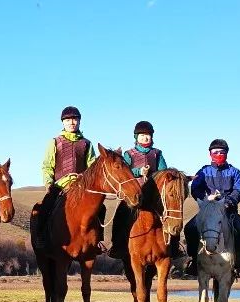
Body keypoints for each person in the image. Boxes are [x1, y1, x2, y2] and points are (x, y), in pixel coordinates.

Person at [34, 106, 101, 253]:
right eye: (68, 120)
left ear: (79, 122)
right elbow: (47, 165)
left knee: (100, 207)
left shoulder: (86, 143)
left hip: (82, 187)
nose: (72, 122)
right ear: (63, 122)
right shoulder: (54, 142)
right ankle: (41, 236)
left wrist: (86, 179)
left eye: (75, 119)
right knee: (45, 206)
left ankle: (97, 242)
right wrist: (49, 183)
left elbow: (92, 166)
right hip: (60, 186)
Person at [111, 120, 177, 261]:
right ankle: (117, 246)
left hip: (154, 196)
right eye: (141, 135)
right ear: (136, 137)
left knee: (172, 215)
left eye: (148, 135)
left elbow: (164, 172)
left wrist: (154, 173)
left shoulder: (157, 153)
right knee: (120, 215)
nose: (145, 138)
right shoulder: (129, 154)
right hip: (134, 195)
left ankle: (174, 248)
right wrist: (139, 171)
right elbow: (125, 171)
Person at [185, 139, 240, 277]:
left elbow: (238, 190)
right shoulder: (203, 171)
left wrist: (227, 202)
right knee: (189, 228)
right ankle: (193, 260)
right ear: (210, 154)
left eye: (222, 152)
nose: (219, 154)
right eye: (216, 152)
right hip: (207, 211)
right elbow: (195, 188)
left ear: (227, 154)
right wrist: (205, 198)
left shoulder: (234, 171)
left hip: (228, 212)